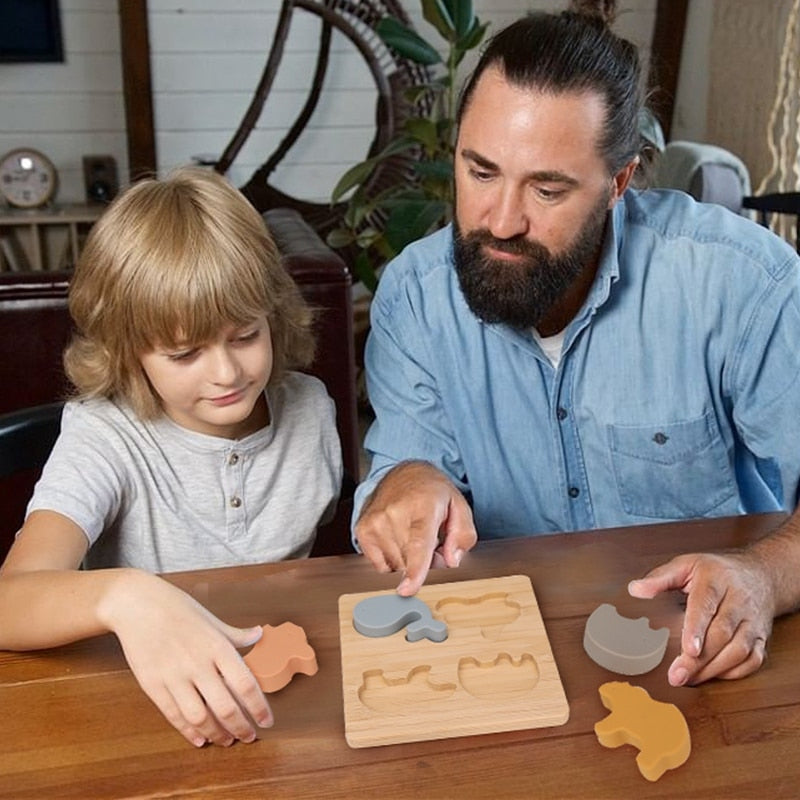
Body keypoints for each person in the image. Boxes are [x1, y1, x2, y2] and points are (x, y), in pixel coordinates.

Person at [353, 1, 800, 689]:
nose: (502, 221)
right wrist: (407, 481)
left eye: (548, 189)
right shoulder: (414, 298)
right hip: (504, 669)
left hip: (703, 662)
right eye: (480, 173)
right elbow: (406, 467)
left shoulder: (743, 285)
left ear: (619, 183)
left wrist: (765, 576)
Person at [0, 167, 342, 747]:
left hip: (279, 710)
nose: (227, 373)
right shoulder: (105, 435)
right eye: (184, 353)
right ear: (128, 351)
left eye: (245, 335)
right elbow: (9, 601)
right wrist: (126, 595)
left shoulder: (311, 408)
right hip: (141, 712)